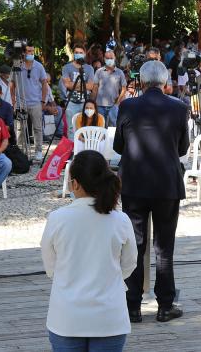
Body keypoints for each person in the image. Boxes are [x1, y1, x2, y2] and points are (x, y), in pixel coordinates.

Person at [113, 60, 189, 324]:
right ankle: (165, 305)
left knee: (134, 244)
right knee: (164, 247)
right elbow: (182, 148)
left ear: (141, 81)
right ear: (165, 82)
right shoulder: (179, 107)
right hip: (167, 184)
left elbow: (118, 145)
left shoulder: (128, 106)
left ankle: (132, 305)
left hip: (134, 183)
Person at [41, 150, 136, 351]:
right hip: (109, 316)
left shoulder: (57, 218)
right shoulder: (121, 219)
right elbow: (129, 264)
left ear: (75, 184)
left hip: (66, 317)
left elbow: (51, 267)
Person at [15, 45, 47, 160]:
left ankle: (38, 151)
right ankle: (21, 152)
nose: (31, 53)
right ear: (23, 52)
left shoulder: (39, 66)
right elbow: (12, 84)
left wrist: (43, 100)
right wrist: (14, 102)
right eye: (29, 51)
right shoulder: (17, 65)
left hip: (36, 102)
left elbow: (44, 83)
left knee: (37, 128)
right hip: (21, 103)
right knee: (21, 128)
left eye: (33, 51)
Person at [61, 45, 95, 140]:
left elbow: (90, 86)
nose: (78, 54)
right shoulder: (66, 67)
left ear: (84, 54)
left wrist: (74, 85)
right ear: (73, 54)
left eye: (81, 52)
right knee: (71, 128)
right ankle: (72, 150)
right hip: (71, 102)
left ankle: (84, 150)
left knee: (85, 127)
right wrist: (83, 85)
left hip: (85, 103)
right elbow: (67, 85)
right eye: (76, 52)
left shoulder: (89, 68)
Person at [92, 49, 126, 127]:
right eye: (107, 58)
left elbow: (124, 89)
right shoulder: (99, 72)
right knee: (100, 128)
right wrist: (93, 103)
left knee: (113, 129)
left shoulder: (120, 72)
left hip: (113, 106)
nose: (109, 60)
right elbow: (95, 88)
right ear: (104, 59)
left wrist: (117, 103)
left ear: (114, 58)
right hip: (99, 105)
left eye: (111, 58)